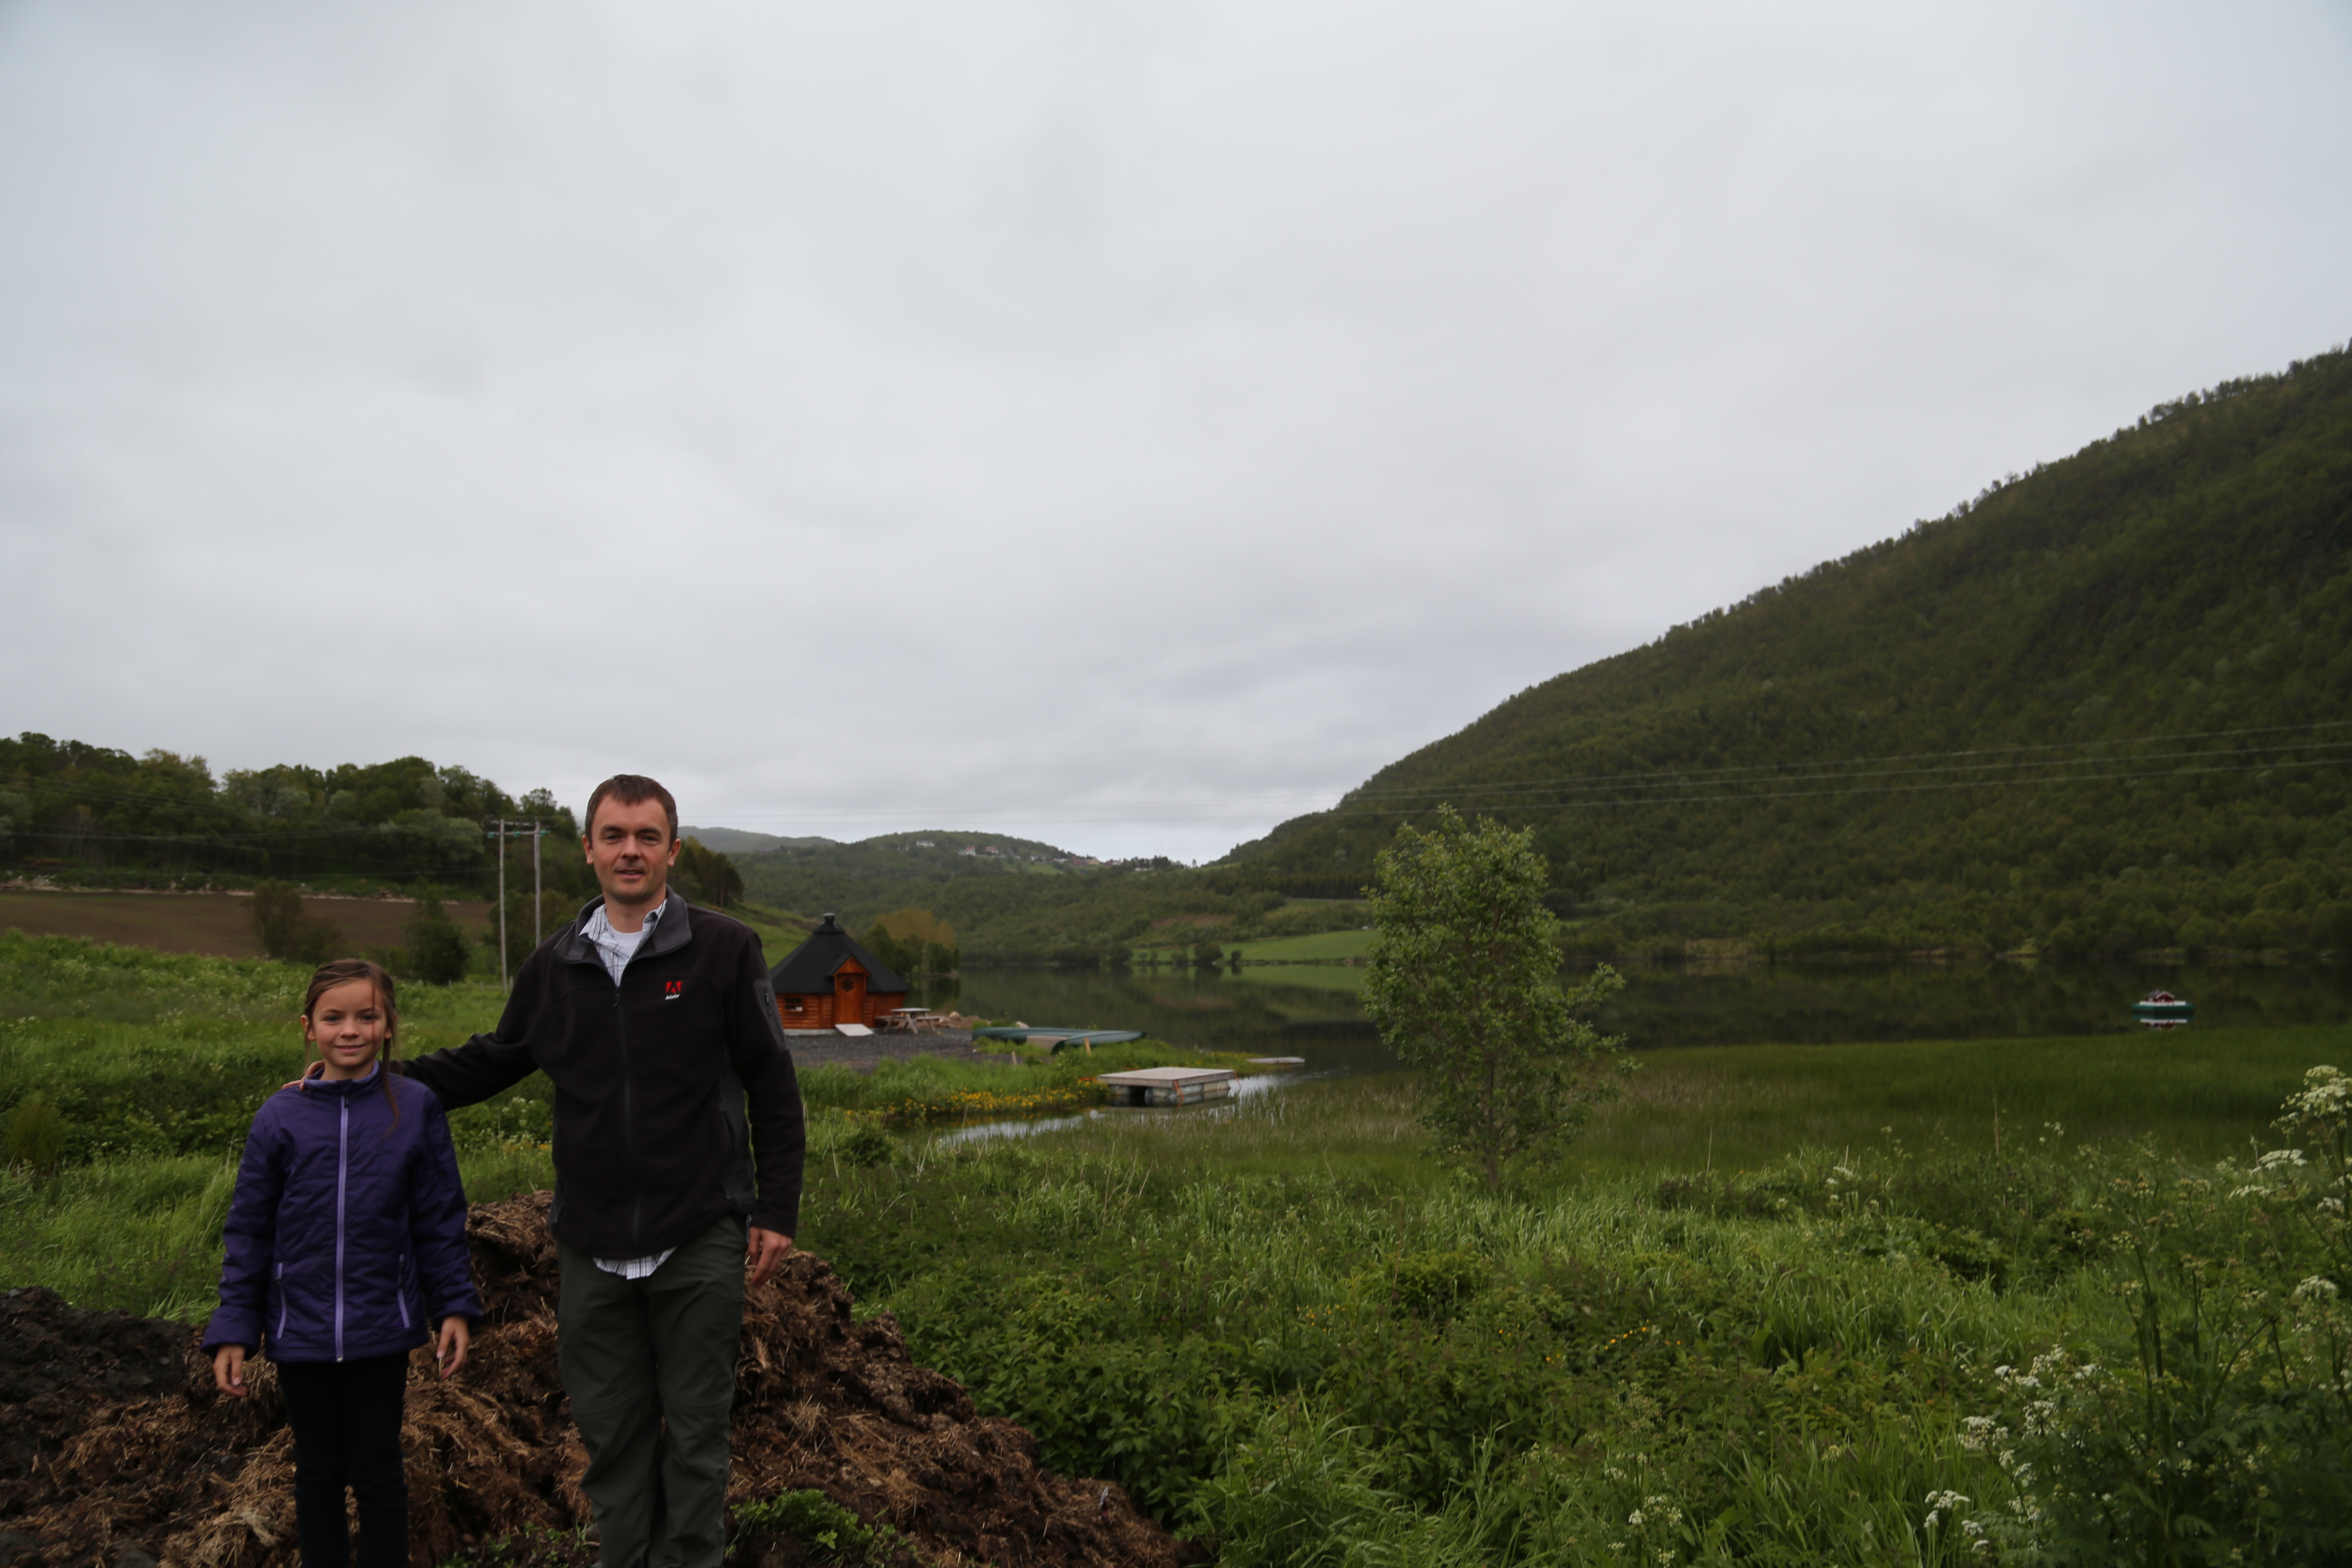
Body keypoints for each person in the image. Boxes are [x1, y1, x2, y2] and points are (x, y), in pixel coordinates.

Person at [398, 774, 805, 1568]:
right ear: (587, 849)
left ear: (672, 852)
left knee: (695, 1439)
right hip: (591, 1243)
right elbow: (496, 1058)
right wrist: (378, 1085)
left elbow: (772, 1081)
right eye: (613, 836)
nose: (630, 851)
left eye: (646, 837)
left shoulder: (724, 949)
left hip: (698, 1233)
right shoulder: (557, 963)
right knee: (612, 1440)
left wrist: (776, 1208)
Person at [204, 959, 481, 1568]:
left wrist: (454, 1307)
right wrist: (233, 1325)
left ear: (388, 1027)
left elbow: (439, 1219)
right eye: (333, 1018)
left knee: (380, 1471)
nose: (349, 1030)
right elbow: (249, 1229)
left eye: (366, 1016)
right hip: (298, 1332)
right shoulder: (281, 1115)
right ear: (309, 1027)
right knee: (318, 1472)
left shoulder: (415, 1108)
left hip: (381, 1327)